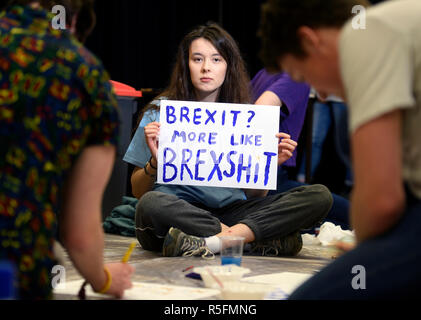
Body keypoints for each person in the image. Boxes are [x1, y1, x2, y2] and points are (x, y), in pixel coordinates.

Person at [123, 22, 333, 260]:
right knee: (151, 204)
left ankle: (211, 242)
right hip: (179, 210)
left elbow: (255, 195)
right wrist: (155, 162)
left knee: (319, 196)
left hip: (233, 212)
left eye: (216, 60)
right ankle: (250, 240)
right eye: (197, 59)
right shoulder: (160, 111)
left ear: (228, 66)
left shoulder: (246, 117)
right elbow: (139, 192)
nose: (206, 68)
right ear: (186, 65)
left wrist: (268, 165)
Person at [259, 0, 421, 298]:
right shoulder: (395, 24)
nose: (320, 96)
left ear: (309, 40)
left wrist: (368, 249)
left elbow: (382, 201)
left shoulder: (366, 35)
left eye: (304, 77)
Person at [0, 0, 134, 299]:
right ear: (73, 21)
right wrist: (103, 279)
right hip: (16, 271)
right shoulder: (83, 74)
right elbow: (79, 234)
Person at [252, 69, 350, 230]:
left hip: (255, 176)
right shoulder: (294, 77)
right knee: (351, 216)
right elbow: (260, 109)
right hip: (269, 177)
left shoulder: (263, 73)